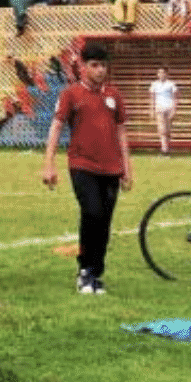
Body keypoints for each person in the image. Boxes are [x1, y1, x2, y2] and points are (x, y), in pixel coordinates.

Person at [42, 41, 133, 295]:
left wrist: (127, 167)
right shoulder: (71, 94)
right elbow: (57, 126)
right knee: (91, 213)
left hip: (112, 167)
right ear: (82, 67)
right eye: (94, 65)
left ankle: (96, 272)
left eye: (104, 65)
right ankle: (85, 270)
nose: (100, 70)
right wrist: (49, 164)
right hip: (82, 165)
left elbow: (121, 132)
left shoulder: (114, 95)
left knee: (104, 221)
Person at [148, 65, 179, 156]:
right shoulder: (154, 84)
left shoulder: (171, 84)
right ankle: (164, 149)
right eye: (159, 73)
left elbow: (175, 98)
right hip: (159, 108)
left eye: (163, 72)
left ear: (166, 74)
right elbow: (152, 98)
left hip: (168, 108)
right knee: (162, 129)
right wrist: (151, 109)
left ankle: (167, 147)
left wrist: (174, 109)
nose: (161, 74)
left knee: (168, 129)